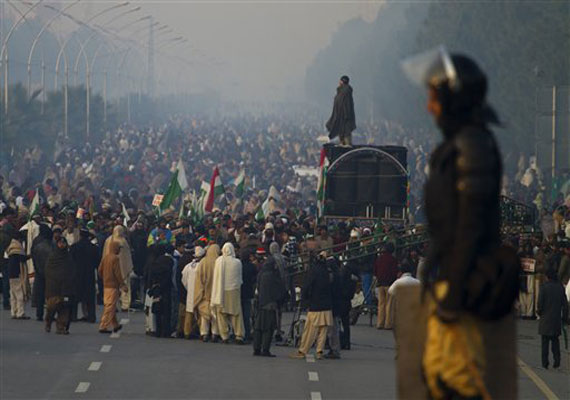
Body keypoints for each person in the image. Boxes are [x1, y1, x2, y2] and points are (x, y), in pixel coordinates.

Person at [403, 48, 519, 399]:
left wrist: (453, 296)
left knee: (456, 381)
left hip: (465, 287)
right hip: (453, 282)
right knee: (439, 378)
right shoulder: (461, 144)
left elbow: (469, 226)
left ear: (453, 99)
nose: (429, 106)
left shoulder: (472, 146)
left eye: (434, 97)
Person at [290, 253, 334, 360]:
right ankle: (319, 351)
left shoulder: (313, 271)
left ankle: (303, 350)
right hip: (327, 305)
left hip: (315, 304)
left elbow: (307, 286)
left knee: (310, 330)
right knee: (323, 330)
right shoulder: (327, 271)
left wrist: (304, 299)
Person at [211, 243, 245, 344]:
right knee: (236, 315)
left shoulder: (219, 261)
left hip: (220, 291)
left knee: (221, 314)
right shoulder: (237, 262)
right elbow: (239, 279)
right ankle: (239, 335)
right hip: (234, 291)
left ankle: (224, 336)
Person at [253, 255, 286, 357]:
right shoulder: (273, 276)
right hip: (270, 304)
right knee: (269, 328)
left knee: (258, 327)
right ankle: (265, 349)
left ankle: (257, 348)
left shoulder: (261, 274)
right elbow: (279, 290)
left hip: (260, 303)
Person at [537, 268, 568, 369]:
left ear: (547, 277)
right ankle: (557, 360)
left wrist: (539, 312)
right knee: (555, 341)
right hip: (556, 319)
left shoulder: (544, 287)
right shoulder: (560, 288)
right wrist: (564, 318)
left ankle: (545, 363)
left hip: (545, 319)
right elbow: (565, 305)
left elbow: (540, 304)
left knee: (544, 343)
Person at [44, 237, 75, 334]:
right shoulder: (52, 257)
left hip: (66, 287)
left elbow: (72, 270)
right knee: (52, 308)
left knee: (64, 308)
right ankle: (48, 322)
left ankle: (61, 327)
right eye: (60, 243)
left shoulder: (68, 257)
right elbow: (48, 271)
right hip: (53, 287)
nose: (62, 245)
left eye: (63, 243)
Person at [70, 229, 100, 322]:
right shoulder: (93, 248)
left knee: (75, 297)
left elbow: (70, 261)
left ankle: (73, 316)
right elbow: (97, 262)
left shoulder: (74, 247)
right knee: (90, 298)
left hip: (76, 275)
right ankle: (91, 316)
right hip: (89, 275)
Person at [98, 241, 127, 334]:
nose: (119, 250)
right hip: (113, 286)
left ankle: (115, 325)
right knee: (110, 306)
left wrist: (105, 278)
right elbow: (117, 273)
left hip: (106, 285)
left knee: (110, 305)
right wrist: (123, 284)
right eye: (118, 248)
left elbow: (99, 270)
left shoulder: (105, 257)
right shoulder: (115, 258)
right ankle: (103, 325)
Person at [103, 225, 134, 311]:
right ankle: (125, 305)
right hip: (122, 267)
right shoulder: (123, 241)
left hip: (111, 267)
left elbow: (105, 254)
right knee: (124, 286)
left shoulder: (108, 240)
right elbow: (127, 255)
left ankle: (113, 304)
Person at [194, 244, 221, 342]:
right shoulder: (219, 261)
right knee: (215, 315)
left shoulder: (203, 262)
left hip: (205, 292)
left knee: (204, 315)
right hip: (216, 293)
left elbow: (199, 278)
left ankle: (204, 333)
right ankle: (215, 333)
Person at [181, 246, 204, 339]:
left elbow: (183, 279)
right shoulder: (202, 266)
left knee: (189, 313)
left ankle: (187, 332)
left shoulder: (188, 266)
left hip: (190, 292)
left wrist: (188, 288)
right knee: (200, 313)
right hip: (200, 292)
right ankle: (201, 331)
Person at [326, 75, 356, 146]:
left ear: (342, 82)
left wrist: (345, 117)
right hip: (341, 120)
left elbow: (347, 108)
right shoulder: (343, 92)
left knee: (346, 141)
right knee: (343, 140)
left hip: (344, 120)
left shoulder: (345, 92)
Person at [374, 242, 399, 329]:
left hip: (380, 283)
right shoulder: (393, 260)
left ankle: (380, 323)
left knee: (381, 304)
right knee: (389, 304)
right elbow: (394, 272)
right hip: (389, 283)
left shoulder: (379, 258)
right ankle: (388, 324)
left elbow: (375, 270)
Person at [31, 224, 52, 321]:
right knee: (50, 294)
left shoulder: (36, 241)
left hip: (39, 271)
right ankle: (50, 314)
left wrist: (37, 268)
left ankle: (39, 314)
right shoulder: (50, 243)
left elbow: (33, 255)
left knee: (40, 294)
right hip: (49, 272)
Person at [6, 232, 30, 319]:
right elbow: (22, 259)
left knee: (13, 294)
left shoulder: (11, 248)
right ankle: (20, 312)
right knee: (20, 294)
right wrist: (30, 256)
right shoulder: (17, 249)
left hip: (10, 274)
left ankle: (14, 311)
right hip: (17, 274)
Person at [241, 249, 258, 342]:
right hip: (249, 292)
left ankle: (240, 332)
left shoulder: (239, 265)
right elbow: (255, 278)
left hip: (240, 291)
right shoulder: (252, 266)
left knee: (240, 314)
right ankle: (248, 333)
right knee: (247, 315)